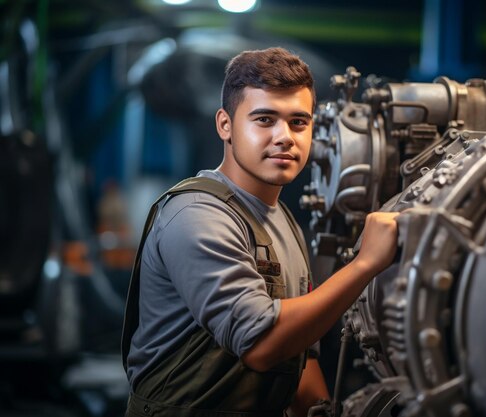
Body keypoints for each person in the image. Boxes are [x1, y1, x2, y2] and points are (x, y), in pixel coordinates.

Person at [122, 47, 399, 417]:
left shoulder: (283, 221)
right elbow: (263, 344)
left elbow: (300, 354)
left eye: (299, 122)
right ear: (225, 125)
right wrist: (365, 265)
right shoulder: (196, 215)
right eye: (265, 119)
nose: (285, 137)